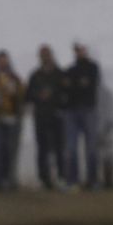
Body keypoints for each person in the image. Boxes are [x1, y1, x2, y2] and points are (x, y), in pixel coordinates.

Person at [26, 45, 68, 190]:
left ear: (51, 55)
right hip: (41, 116)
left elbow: (67, 93)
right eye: (42, 55)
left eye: (47, 54)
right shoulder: (35, 75)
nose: (45, 57)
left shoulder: (60, 74)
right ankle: (44, 179)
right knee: (42, 148)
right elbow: (28, 95)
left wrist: (55, 98)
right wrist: (39, 96)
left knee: (59, 148)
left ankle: (62, 177)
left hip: (57, 116)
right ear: (39, 57)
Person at [63, 43, 101, 190]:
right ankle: (73, 181)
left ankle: (93, 181)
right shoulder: (70, 70)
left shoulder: (93, 68)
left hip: (88, 110)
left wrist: (72, 85)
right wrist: (78, 84)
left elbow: (88, 84)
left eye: (81, 49)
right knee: (70, 148)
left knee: (91, 148)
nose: (79, 52)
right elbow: (68, 85)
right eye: (77, 50)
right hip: (71, 111)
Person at [0, 50, 25, 189]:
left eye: (5, 60)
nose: (3, 63)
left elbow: (22, 95)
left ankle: (11, 179)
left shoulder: (15, 78)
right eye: (0, 60)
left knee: (12, 150)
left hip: (13, 117)